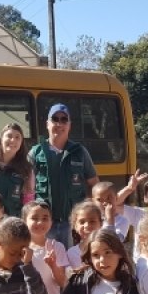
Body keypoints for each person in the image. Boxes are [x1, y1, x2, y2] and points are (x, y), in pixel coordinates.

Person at [29, 104, 99, 248]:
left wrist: (91, 211)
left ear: (69, 125)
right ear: (47, 124)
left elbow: (94, 183)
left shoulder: (80, 152)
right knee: (47, 264)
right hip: (45, 224)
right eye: (55, 119)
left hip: (72, 223)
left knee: (73, 261)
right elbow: (26, 187)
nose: (59, 124)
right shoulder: (36, 152)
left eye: (63, 120)